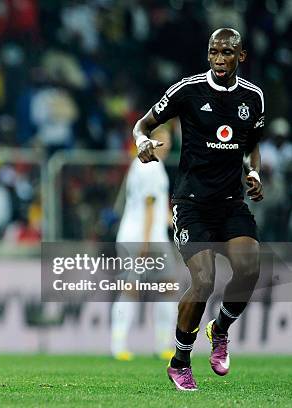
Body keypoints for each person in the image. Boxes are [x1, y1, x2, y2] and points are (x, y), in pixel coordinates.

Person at [133, 28, 264, 391]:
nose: (219, 59)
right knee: (203, 281)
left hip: (231, 203)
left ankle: (219, 329)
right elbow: (142, 125)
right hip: (191, 204)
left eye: (227, 52)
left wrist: (252, 171)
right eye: (213, 52)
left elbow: (252, 144)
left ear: (242, 56)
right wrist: (143, 142)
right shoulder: (187, 90)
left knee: (250, 268)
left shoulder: (253, 97)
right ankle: (180, 362)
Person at [111, 125, 177, 362]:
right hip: (144, 237)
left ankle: (121, 345)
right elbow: (150, 209)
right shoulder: (150, 166)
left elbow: (158, 210)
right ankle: (159, 345)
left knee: (134, 289)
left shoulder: (144, 164)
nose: (166, 144)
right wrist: (146, 245)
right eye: (161, 139)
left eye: (168, 140)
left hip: (137, 234)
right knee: (158, 289)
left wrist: (178, 223)